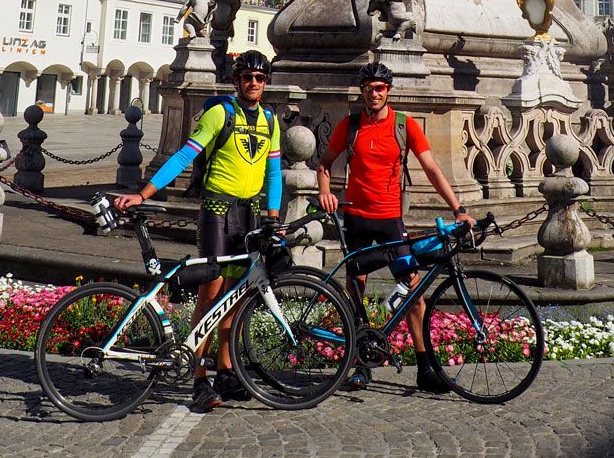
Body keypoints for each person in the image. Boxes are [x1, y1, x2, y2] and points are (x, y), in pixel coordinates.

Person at [114, 49, 281, 412]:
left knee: (237, 294)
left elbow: (273, 173)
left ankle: (225, 369)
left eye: (260, 78)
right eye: (247, 77)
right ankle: (198, 376)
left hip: (250, 212)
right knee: (212, 292)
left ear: (266, 83)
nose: (254, 83)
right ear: (237, 81)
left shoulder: (270, 119)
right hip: (218, 210)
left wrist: (271, 214)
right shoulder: (220, 113)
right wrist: (144, 192)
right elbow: (183, 156)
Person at [315, 62, 472, 395]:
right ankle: (359, 364)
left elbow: (431, 169)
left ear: (388, 91)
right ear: (362, 91)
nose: (374, 93)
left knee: (414, 294)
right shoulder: (350, 124)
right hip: (356, 219)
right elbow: (325, 164)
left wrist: (458, 209)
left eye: (380, 88)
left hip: (390, 221)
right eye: (369, 88)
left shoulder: (404, 125)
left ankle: (426, 368)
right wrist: (325, 191)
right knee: (355, 291)